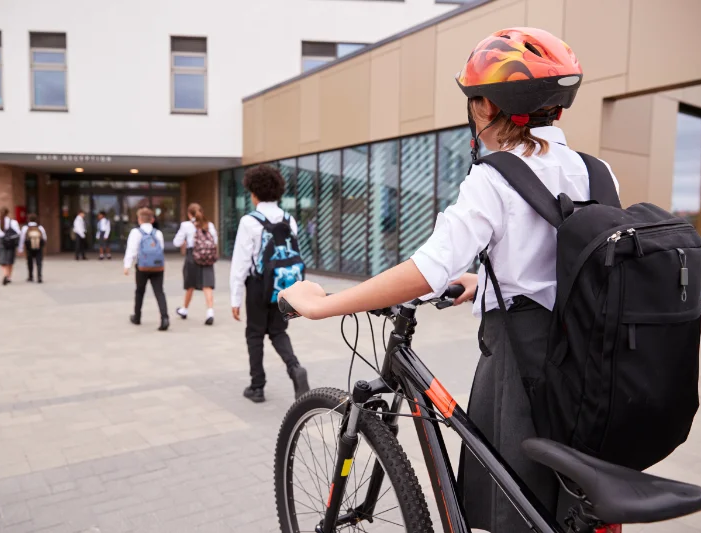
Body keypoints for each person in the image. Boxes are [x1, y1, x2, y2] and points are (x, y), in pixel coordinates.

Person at [278, 27, 618, 533]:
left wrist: (321, 305)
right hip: (590, 366)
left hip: (521, 367)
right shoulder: (597, 172)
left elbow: (424, 271)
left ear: (484, 108)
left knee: (512, 506)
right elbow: (574, 261)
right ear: (558, 110)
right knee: (562, 504)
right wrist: (484, 283)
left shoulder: (495, 176)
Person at [230, 165, 310, 403]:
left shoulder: (249, 221)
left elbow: (240, 263)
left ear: (253, 192)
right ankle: (295, 369)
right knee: (278, 331)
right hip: (283, 286)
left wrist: (235, 298)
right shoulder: (289, 219)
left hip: (257, 286)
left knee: (255, 334)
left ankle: (257, 386)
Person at [124, 207, 169, 331]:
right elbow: (161, 249)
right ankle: (164, 317)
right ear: (152, 220)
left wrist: (127, 266)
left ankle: (137, 317)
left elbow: (131, 250)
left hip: (142, 267)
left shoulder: (136, 232)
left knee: (139, 291)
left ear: (139, 219)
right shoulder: (158, 233)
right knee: (159, 292)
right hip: (158, 266)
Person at [173, 203, 218, 324]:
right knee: (207, 286)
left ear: (189, 214)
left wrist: (186, 242)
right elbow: (215, 241)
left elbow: (176, 242)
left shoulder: (186, 225)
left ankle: (185, 309)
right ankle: (210, 312)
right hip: (207, 257)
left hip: (192, 256)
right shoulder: (209, 225)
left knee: (190, 285)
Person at [0, 207, 21, 285]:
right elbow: (18, 232)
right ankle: (8, 276)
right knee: (10, 260)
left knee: (3, 260)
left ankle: (5, 274)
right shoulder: (13, 222)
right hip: (10, 242)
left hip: (1, 241)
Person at [18, 213, 47, 283]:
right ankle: (39, 276)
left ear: (28, 219)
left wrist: (20, 248)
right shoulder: (40, 227)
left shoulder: (25, 227)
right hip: (38, 247)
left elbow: (22, 238)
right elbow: (45, 238)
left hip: (29, 247)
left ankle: (30, 276)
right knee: (39, 262)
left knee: (29, 261)